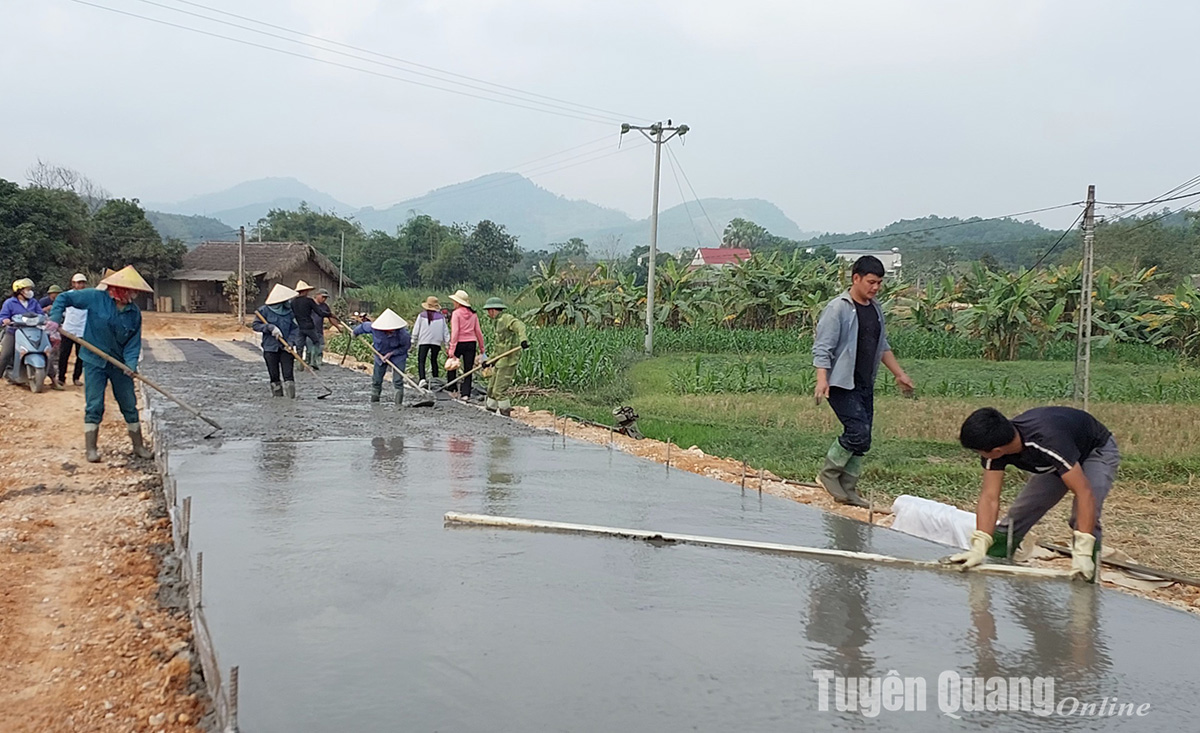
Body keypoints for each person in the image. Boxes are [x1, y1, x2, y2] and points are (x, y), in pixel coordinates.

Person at [948, 406, 1118, 583]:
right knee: (1020, 514)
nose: (979, 455)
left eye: (978, 452)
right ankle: (993, 565)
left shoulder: (1045, 443)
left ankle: (1086, 579)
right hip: (1056, 461)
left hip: (1095, 451)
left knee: (1084, 516)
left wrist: (1082, 552)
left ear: (997, 450)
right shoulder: (996, 448)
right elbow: (990, 497)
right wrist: (980, 543)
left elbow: (1084, 493)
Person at [812, 255, 914, 507]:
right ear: (855, 278)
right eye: (871, 282)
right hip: (841, 382)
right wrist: (821, 380)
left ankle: (848, 487)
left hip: (865, 381)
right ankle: (828, 474)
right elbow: (822, 347)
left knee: (864, 438)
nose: (876, 287)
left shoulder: (876, 308)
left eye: (879, 282)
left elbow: (882, 346)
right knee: (857, 432)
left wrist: (899, 373)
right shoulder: (838, 308)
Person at [48, 266, 155, 463]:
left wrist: (130, 364)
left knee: (129, 404)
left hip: (119, 364)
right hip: (94, 361)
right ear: (119, 289)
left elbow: (133, 343)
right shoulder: (96, 298)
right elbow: (64, 298)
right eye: (131, 290)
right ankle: (91, 449)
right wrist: (55, 318)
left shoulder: (133, 313)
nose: (134, 294)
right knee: (95, 404)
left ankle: (138, 446)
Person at [352, 308, 411, 405]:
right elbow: (362, 327)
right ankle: (374, 402)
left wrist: (391, 353)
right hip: (380, 355)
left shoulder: (403, 334)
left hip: (398, 356)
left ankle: (398, 404)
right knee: (377, 380)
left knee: (398, 381)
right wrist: (354, 332)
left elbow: (405, 347)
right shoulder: (374, 328)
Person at [481, 297, 529, 416]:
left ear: (492, 310)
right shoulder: (497, 323)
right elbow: (498, 346)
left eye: (489, 311)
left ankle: (505, 412)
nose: (488, 314)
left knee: (499, 391)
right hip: (499, 360)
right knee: (491, 389)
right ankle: (490, 410)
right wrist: (489, 361)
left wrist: (523, 340)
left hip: (508, 361)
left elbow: (520, 326)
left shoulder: (506, 318)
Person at [253, 284, 302, 398]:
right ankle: (277, 396)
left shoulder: (289, 312)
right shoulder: (263, 311)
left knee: (288, 374)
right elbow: (255, 325)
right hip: (270, 347)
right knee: (274, 374)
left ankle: (290, 397)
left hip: (286, 348)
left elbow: (295, 328)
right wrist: (269, 327)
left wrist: (290, 342)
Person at [2, 278, 45, 379]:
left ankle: (53, 378)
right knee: (5, 354)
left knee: (46, 350)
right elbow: (3, 316)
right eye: (27, 289)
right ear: (19, 291)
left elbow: (41, 314)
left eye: (30, 289)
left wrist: (44, 319)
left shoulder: (33, 302)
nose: (30, 292)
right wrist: (5, 320)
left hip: (33, 331)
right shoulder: (9, 303)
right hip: (14, 331)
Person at [446, 289, 484, 400]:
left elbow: (455, 332)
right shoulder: (473, 314)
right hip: (471, 343)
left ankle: (452, 389)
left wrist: (451, 349)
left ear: (458, 302)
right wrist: (482, 347)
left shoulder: (456, 313)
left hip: (459, 343)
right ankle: (465, 393)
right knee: (468, 369)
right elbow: (478, 331)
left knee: (452, 367)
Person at [57, 273, 90, 387]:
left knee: (80, 356)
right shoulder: (67, 296)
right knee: (64, 354)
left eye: (82, 283)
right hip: (68, 329)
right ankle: (61, 378)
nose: (81, 285)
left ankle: (76, 377)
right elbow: (59, 308)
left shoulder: (88, 296)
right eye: (78, 282)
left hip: (82, 329)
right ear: (73, 284)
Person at [411, 296, 450, 386]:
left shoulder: (421, 316)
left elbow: (416, 329)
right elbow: (445, 332)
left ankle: (422, 379)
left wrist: (413, 341)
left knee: (421, 360)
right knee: (434, 360)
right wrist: (447, 344)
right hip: (436, 342)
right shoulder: (441, 317)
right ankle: (435, 378)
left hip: (423, 341)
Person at [290, 280, 322, 370]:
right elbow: (319, 312)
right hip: (309, 326)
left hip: (299, 327)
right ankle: (313, 361)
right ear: (305, 291)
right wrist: (329, 314)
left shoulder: (293, 302)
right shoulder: (309, 301)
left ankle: (299, 365)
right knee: (316, 342)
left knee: (299, 346)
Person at [307, 288, 342, 369]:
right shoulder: (310, 304)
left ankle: (318, 362)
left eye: (325, 298)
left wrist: (337, 326)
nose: (324, 299)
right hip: (310, 330)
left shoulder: (325, 306)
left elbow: (330, 317)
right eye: (323, 297)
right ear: (317, 295)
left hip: (319, 330)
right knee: (310, 348)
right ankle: (308, 363)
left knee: (320, 346)